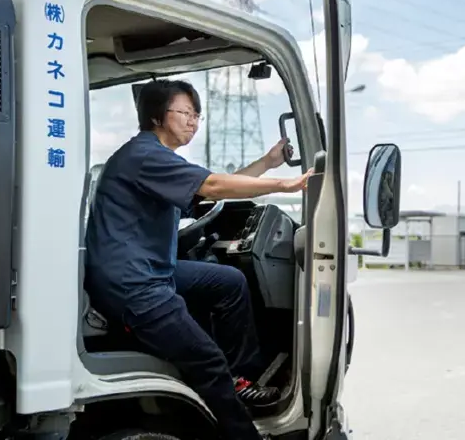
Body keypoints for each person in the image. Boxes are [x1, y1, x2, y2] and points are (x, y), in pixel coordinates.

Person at [84, 78, 312, 440]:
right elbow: (216, 186)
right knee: (207, 361)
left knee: (229, 283)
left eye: (197, 116)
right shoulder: (146, 155)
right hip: (135, 286)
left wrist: (268, 163)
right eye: (185, 113)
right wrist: (284, 184)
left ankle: (239, 380)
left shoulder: (158, 160)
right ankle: (239, 425)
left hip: (151, 271)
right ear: (157, 116)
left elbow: (214, 190)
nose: (192, 122)